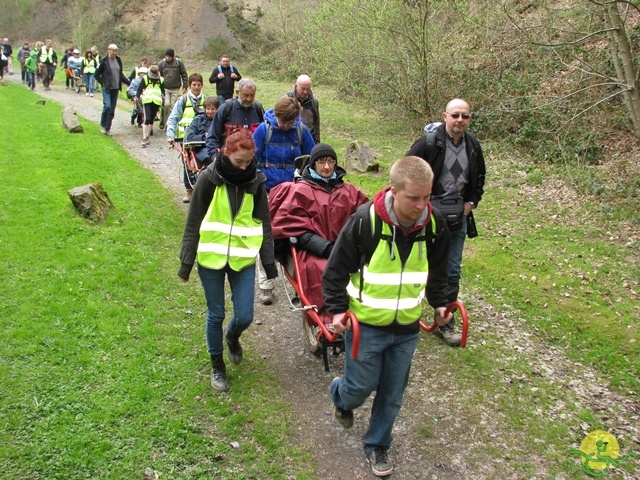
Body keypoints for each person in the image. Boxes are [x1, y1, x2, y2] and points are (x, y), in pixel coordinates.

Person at [323, 156, 452, 477]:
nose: (422, 205)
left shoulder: (435, 225)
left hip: (406, 328)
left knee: (393, 393)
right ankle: (340, 394)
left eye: (427, 197)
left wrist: (440, 303)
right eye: (414, 198)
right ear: (394, 192)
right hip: (365, 326)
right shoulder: (364, 222)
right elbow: (335, 272)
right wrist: (338, 310)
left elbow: (438, 273)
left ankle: (377, 444)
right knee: (359, 387)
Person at [178, 127, 277, 392]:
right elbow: (193, 223)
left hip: (242, 257)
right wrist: (186, 263)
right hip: (210, 257)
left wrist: (269, 264)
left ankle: (232, 337)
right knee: (216, 313)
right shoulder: (209, 179)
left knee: (244, 315)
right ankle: (217, 364)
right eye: (239, 161)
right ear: (226, 153)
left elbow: (265, 225)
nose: (244, 167)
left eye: (248, 161)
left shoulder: (256, 181)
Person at [406, 98, 485, 346]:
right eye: (455, 115)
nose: (460, 120)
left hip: (456, 219)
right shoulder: (429, 143)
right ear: (445, 116)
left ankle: (445, 320)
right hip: (424, 215)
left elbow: (480, 178)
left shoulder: (473, 146)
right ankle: (402, 313)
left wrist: (470, 203)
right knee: (413, 264)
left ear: (470, 119)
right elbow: (405, 169)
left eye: (465, 116)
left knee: (451, 271)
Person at [268, 143, 368, 323]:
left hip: (344, 248)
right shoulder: (300, 190)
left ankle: (364, 315)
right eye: (321, 162)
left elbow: (365, 218)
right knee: (321, 269)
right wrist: (327, 249)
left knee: (366, 268)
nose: (327, 167)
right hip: (314, 249)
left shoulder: (349, 191)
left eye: (331, 161)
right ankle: (326, 321)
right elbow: (294, 226)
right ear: (313, 164)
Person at [252, 95, 315, 305]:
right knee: (267, 237)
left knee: (295, 237)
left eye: (289, 122)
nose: (285, 126)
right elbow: (251, 160)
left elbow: (311, 161)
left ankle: (299, 285)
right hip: (268, 192)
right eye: (282, 121)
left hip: (294, 194)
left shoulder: (301, 132)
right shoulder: (263, 130)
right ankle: (266, 285)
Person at [166, 73, 207, 202]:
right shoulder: (182, 101)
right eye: (194, 85)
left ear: (202, 85)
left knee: (203, 163)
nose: (196, 87)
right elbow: (173, 118)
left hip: (202, 139)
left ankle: (204, 189)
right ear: (189, 86)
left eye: (198, 85)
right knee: (187, 164)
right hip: (186, 139)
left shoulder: (206, 101)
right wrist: (170, 135)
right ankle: (189, 190)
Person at [205, 78, 265, 156]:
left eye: (252, 95)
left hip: (253, 160)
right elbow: (212, 137)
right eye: (245, 95)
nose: (249, 98)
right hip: (229, 159)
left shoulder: (258, 109)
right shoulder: (226, 109)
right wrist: (214, 157)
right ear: (237, 92)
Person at [95, 43, 130, 135]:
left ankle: (107, 127)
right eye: (113, 51)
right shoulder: (103, 61)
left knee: (112, 109)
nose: (115, 53)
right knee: (107, 106)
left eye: (116, 51)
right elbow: (96, 74)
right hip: (107, 88)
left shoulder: (118, 60)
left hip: (115, 88)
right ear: (109, 50)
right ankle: (103, 125)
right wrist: (103, 83)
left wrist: (128, 82)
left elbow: (120, 74)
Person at [157, 48, 188, 129]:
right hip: (165, 88)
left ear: (172, 56)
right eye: (166, 56)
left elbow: (184, 74)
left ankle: (169, 124)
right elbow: (157, 75)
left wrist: (185, 86)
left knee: (173, 107)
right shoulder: (161, 64)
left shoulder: (178, 63)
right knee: (166, 105)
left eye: (169, 56)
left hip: (175, 88)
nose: (168, 58)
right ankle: (162, 121)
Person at [286, 74, 320, 143]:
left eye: (308, 89)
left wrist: (317, 143)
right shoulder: (286, 100)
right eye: (303, 89)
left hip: (308, 140)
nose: (305, 92)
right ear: (296, 86)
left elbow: (316, 126)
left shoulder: (314, 103)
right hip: (291, 139)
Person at [137, 64, 164, 147]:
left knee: (151, 119)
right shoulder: (145, 78)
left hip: (156, 101)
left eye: (155, 73)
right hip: (147, 100)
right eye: (153, 72)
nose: (154, 74)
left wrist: (163, 99)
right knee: (147, 118)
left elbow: (163, 91)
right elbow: (139, 90)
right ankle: (144, 137)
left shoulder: (161, 80)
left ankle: (147, 136)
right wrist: (140, 96)